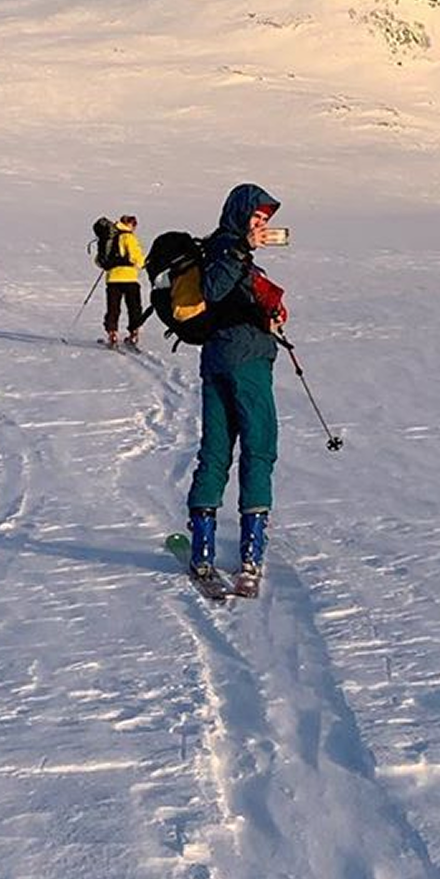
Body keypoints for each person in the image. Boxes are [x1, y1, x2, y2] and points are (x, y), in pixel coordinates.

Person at [186, 183, 286, 594]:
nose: (262, 227)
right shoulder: (228, 250)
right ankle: (250, 554)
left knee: (215, 451)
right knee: (259, 448)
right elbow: (213, 289)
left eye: (265, 222)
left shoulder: (222, 250)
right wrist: (243, 248)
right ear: (240, 215)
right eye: (257, 219)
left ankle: (203, 550)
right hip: (245, 364)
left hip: (217, 361)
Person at [103, 214, 147, 349]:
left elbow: (100, 261)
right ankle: (133, 334)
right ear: (130, 224)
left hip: (112, 279)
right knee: (134, 307)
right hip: (129, 279)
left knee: (113, 308)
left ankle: (112, 334)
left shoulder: (109, 238)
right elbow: (138, 260)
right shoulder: (129, 237)